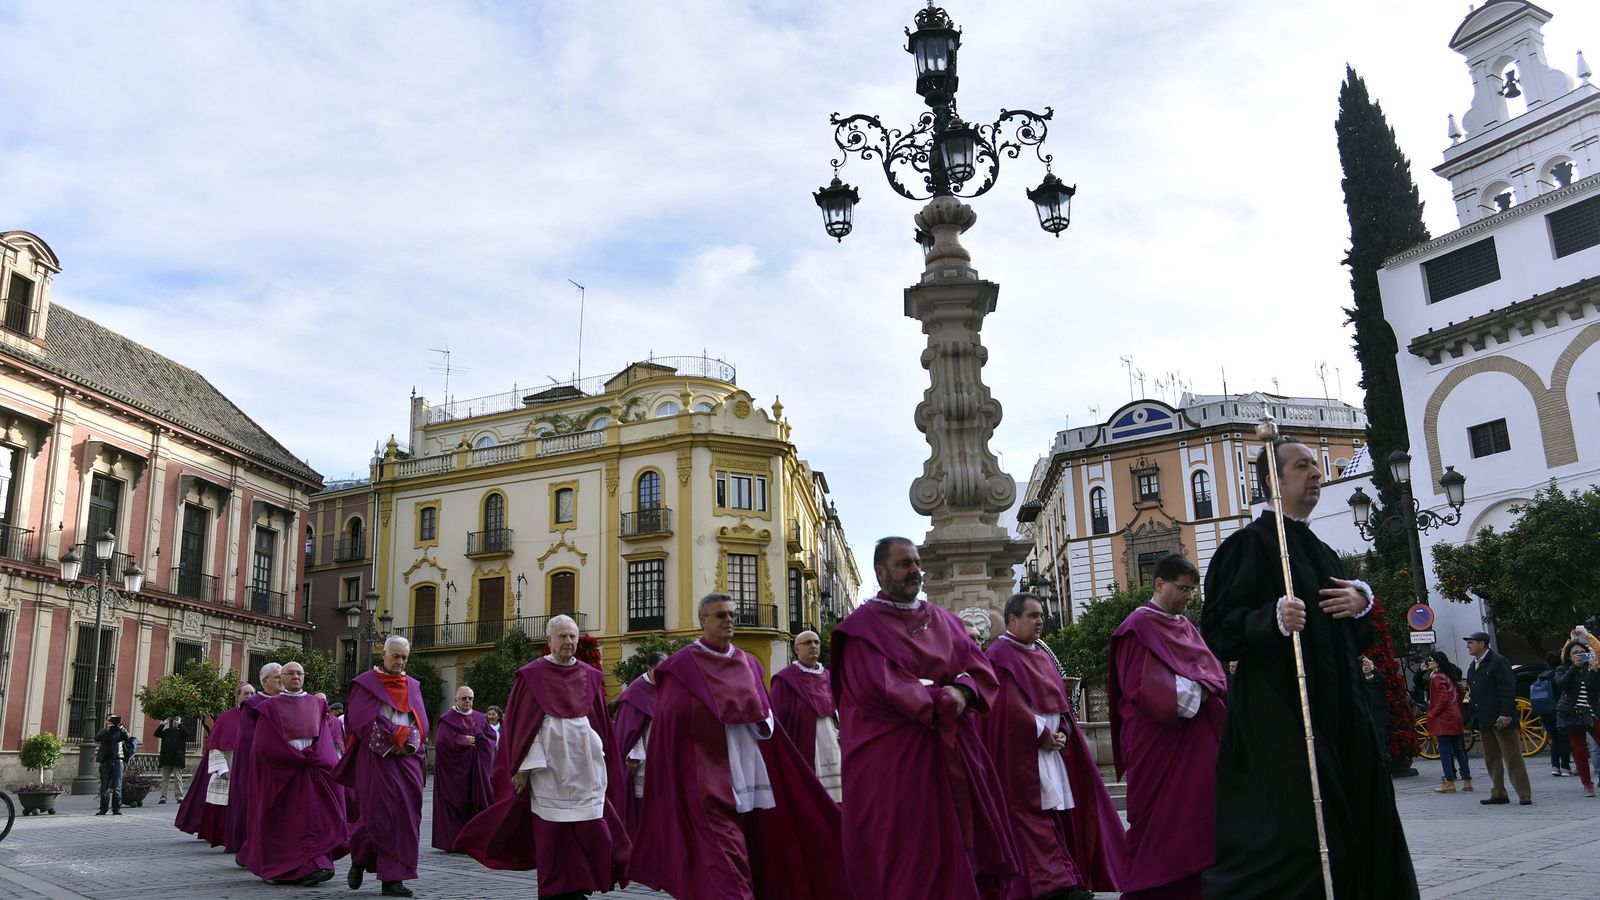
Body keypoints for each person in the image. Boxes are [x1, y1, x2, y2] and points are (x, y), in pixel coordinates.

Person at [1200, 437, 1418, 898]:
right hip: (1282, 714)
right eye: (1302, 466)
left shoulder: (1322, 551)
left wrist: (1360, 603)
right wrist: (1270, 619)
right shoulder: (1247, 547)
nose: (1316, 474)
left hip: (1343, 713)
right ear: (1273, 481)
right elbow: (1217, 627)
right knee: (1303, 836)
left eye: (1316, 466)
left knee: (1361, 821)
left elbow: (1351, 635)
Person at [831, 537, 1017, 900]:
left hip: (952, 754)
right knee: (908, 858)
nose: (915, 570)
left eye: (917, 562)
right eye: (904, 564)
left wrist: (962, 692)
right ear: (880, 572)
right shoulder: (862, 630)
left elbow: (979, 669)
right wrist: (943, 698)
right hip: (896, 765)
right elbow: (881, 687)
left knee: (956, 851)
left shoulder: (945, 620)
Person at [628, 594, 846, 899]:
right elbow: (673, 720)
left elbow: (767, 717)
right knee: (721, 849)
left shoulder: (748, 663)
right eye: (720, 615)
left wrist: (754, 716)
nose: (729, 620)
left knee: (752, 840)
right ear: (703, 621)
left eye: (732, 614)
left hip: (747, 767)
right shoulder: (683, 666)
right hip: (704, 772)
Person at [455, 616, 629, 898]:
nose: (568, 641)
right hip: (548, 771)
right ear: (549, 641)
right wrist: (524, 768)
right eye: (562, 636)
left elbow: (599, 724)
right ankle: (554, 890)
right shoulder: (533, 676)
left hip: (585, 770)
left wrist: (602, 756)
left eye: (572, 636)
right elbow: (524, 726)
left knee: (591, 829)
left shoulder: (589, 676)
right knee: (553, 835)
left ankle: (582, 884)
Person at [983, 592, 1122, 900]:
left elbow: (1061, 703)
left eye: (1041, 616)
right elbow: (1007, 708)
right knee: (1034, 818)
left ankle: (1066, 878)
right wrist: (1041, 733)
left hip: (1050, 751)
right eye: (1033, 616)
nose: (1040, 621)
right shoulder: (1000, 655)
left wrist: (1063, 730)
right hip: (1024, 754)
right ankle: (1055, 885)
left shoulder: (1041, 655)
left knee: (1055, 816)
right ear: (1013, 620)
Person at [1109, 554, 1227, 900]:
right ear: (1159, 584)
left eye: (1192, 590)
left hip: (1192, 745)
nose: (1189, 597)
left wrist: (1203, 686)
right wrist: (1202, 688)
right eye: (1183, 589)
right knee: (1158, 826)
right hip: (1155, 743)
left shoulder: (1186, 627)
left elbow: (1215, 674)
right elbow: (1148, 691)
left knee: (1198, 817)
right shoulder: (1136, 628)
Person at [334, 636, 428, 898]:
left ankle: (393, 879)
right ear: (383, 655)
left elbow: (421, 722)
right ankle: (360, 857)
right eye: (395, 656)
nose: (400, 661)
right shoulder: (365, 684)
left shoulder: (413, 686)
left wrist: (407, 743)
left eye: (404, 657)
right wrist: (391, 742)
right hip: (377, 757)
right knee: (376, 814)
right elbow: (361, 721)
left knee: (406, 817)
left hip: (407, 758)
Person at [238, 662, 346, 886]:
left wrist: (315, 757)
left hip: (311, 772)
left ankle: (318, 865)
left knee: (314, 818)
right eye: (290, 673)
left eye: (299, 673)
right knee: (285, 823)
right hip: (282, 774)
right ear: (282, 679)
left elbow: (325, 739)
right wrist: (290, 757)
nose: (295, 676)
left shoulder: (317, 704)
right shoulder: (269, 707)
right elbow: (263, 746)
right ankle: (281, 870)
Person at [769, 629, 842, 803]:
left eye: (816, 642)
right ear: (797, 649)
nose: (813, 646)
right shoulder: (785, 679)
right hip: (802, 737)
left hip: (830, 735)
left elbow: (839, 705)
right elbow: (777, 715)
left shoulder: (828, 676)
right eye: (808, 643)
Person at [176, 682, 252, 847]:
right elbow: (215, 746)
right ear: (237, 697)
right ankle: (228, 837)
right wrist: (222, 769)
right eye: (246, 694)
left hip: (252, 771)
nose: (249, 697)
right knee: (227, 805)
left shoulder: (259, 717)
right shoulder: (226, 718)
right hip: (230, 767)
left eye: (252, 694)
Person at [1464, 631, 1532, 806]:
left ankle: (1524, 793)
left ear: (1482, 644)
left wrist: (1506, 713)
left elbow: (1507, 689)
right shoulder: (1473, 665)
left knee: (1512, 757)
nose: (1468, 646)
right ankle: (1499, 792)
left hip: (1501, 717)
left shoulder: (1498, 661)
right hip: (1484, 718)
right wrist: (1470, 718)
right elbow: (1474, 694)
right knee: (1491, 758)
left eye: (1471, 642)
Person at [431, 685, 497, 852]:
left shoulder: (480, 718)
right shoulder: (447, 719)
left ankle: (476, 841)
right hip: (455, 774)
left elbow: (490, 738)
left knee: (478, 802)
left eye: (470, 698)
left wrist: (479, 740)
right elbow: (441, 742)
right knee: (457, 804)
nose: (467, 701)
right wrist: (460, 740)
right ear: (456, 700)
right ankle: (455, 842)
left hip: (476, 771)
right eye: (464, 698)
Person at [229, 662, 282, 857]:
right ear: (265, 681)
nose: (282, 680)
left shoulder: (291, 700)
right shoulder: (252, 705)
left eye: (282, 676)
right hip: (263, 765)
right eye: (277, 677)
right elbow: (248, 738)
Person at [612, 650, 666, 839]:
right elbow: (628, 728)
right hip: (644, 759)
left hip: (663, 756)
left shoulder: (666, 688)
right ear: (650, 669)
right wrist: (634, 755)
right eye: (659, 671)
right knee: (643, 805)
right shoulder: (636, 692)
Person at [1553, 632, 1600, 798]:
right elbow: (1561, 684)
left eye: (1582, 653)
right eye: (1575, 653)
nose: (1579, 655)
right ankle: (1587, 784)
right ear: (1569, 656)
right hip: (1573, 715)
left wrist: (1595, 670)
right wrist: (1574, 667)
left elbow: (1596, 689)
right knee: (1580, 753)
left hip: (1592, 713)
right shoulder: (1562, 669)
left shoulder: (1590, 669)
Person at [1424, 651, 1471, 793]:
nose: (1428, 662)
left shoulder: (1437, 677)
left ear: (1437, 661)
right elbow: (1460, 691)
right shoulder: (1449, 675)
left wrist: (1433, 713)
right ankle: (1467, 781)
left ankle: (1449, 781)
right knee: (1459, 750)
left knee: (1444, 750)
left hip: (1444, 718)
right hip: (1456, 715)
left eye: (1431, 659)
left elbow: (1443, 698)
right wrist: (1456, 705)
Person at [1537, 652, 1573, 777]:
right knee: (1563, 738)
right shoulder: (1560, 674)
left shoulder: (1541, 675)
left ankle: (1555, 767)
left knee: (1554, 739)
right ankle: (1565, 767)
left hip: (1545, 711)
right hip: (1559, 709)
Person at [94, 713, 132, 815]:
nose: (111, 721)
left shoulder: (120, 731)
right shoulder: (104, 731)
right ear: (106, 721)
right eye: (109, 719)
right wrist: (106, 729)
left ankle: (116, 809)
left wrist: (121, 727)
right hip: (105, 762)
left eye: (113, 719)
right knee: (104, 787)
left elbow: (128, 738)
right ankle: (103, 809)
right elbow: (96, 738)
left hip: (118, 761)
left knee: (117, 787)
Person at [1358, 655, 1391, 752]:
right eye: (1363, 665)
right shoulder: (1360, 682)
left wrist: (1372, 667)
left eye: (1367, 664)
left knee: (1382, 748)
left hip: (1379, 720)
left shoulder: (1378, 681)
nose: (1365, 666)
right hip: (1365, 721)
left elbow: (1383, 681)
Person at [154, 715, 188, 804]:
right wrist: (163, 724)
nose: (175, 723)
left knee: (178, 779)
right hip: (166, 758)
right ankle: (163, 798)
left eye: (177, 721)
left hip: (177, 759)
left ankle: (179, 797)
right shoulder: (166, 732)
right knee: (165, 780)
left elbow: (186, 734)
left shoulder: (182, 733)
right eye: (174, 721)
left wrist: (179, 724)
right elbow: (156, 734)